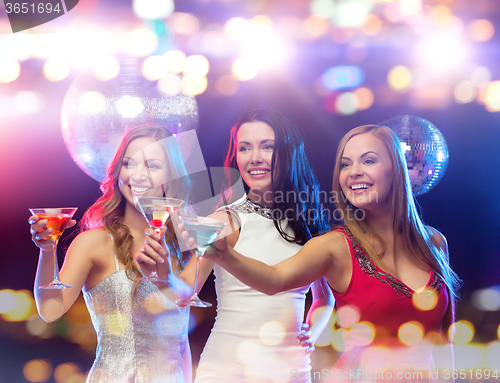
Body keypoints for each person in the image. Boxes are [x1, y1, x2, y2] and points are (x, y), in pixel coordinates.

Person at [199, 124, 462, 382]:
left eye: (368, 161)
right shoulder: (334, 246)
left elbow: (443, 338)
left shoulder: (434, 242)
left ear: (397, 169)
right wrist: (224, 256)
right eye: (346, 165)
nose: (354, 172)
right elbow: (274, 279)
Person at [137, 108, 335, 383]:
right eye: (245, 148)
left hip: (292, 373)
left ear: (290, 153)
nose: (255, 158)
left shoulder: (309, 224)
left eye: (268, 147)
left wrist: (312, 332)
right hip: (227, 371)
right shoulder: (224, 219)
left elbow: (324, 298)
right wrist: (162, 275)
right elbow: (185, 291)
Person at [29, 125, 194, 383]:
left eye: (151, 166)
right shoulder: (93, 243)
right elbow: (50, 311)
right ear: (118, 172)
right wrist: (47, 249)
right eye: (129, 164)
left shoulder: (183, 247)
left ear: (171, 177)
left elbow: (181, 342)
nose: (137, 175)